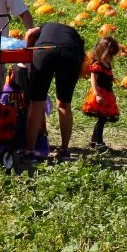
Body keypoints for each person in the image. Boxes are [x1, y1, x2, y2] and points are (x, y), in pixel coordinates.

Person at [23, 22, 86, 160]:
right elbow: (82, 60)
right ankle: (64, 150)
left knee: (37, 103)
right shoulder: (74, 35)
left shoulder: (45, 26)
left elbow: (30, 34)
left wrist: (26, 55)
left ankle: (29, 151)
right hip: (70, 54)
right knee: (64, 103)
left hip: (45, 51)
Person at [82, 36, 121, 150]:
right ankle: (99, 142)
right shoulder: (97, 64)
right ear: (103, 51)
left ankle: (94, 141)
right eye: (109, 54)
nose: (110, 57)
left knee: (102, 118)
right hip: (100, 94)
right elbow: (93, 80)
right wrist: (97, 94)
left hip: (107, 94)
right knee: (102, 118)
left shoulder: (107, 64)